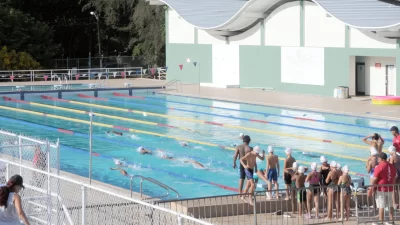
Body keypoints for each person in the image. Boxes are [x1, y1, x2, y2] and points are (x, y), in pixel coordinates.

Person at [371, 153, 396, 225]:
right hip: (390, 188)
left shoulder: (379, 167)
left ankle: (380, 221)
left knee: (381, 206)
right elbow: (394, 177)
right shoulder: (391, 166)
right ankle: (392, 221)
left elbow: (375, 179)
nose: (377, 160)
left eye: (378, 159)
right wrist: (392, 185)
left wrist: (371, 186)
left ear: (382, 159)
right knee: (390, 205)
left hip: (381, 189)